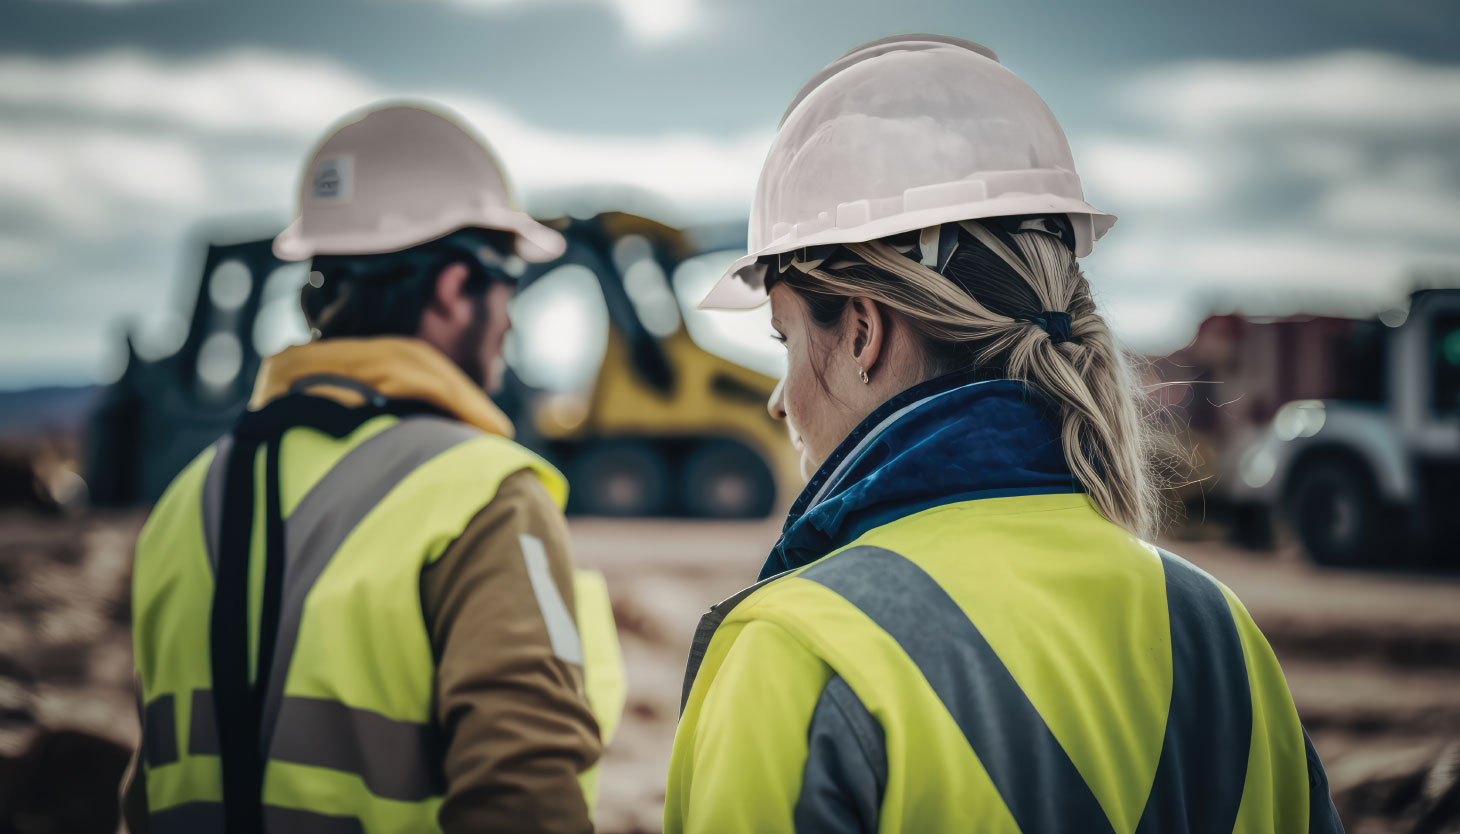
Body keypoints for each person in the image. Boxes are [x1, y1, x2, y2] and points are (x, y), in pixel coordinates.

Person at [666, 35, 1344, 833]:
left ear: (860, 332)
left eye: (783, 341)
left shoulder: (802, 652)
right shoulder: (1219, 635)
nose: (779, 401)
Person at [122, 102, 624, 833]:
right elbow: (525, 795)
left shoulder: (188, 497)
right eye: (509, 283)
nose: (511, 319)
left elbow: (150, 787)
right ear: (456, 287)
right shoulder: (481, 495)